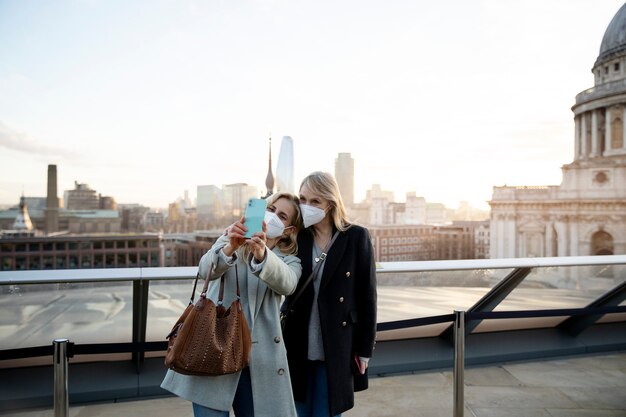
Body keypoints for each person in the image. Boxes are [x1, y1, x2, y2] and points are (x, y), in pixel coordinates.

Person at [161, 192, 304, 417]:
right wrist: (230, 247)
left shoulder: (290, 260)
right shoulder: (231, 235)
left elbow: (287, 283)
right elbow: (205, 268)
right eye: (272, 209)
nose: (273, 216)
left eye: (283, 216)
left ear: (290, 231)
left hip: (257, 360)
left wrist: (261, 254)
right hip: (214, 345)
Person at [282, 171, 377, 417]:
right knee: (298, 411)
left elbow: (367, 297)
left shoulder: (355, 237)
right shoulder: (296, 236)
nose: (306, 206)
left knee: (327, 411)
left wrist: (365, 349)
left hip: (336, 344)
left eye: (315, 201)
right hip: (297, 342)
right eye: (302, 199)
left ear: (330, 204)